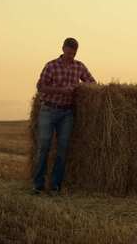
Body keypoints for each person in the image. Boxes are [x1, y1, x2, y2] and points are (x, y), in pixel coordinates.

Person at [32, 37, 96, 195]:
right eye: (68, 53)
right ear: (62, 49)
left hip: (67, 112)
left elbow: (93, 83)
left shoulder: (79, 66)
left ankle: (55, 186)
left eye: (73, 54)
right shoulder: (52, 66)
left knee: (62, 149)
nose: (70, 56)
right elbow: (40, 87)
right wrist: (61, 90)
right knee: (44, 147)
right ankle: (38, 185)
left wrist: (79, 87)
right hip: (48, 110)